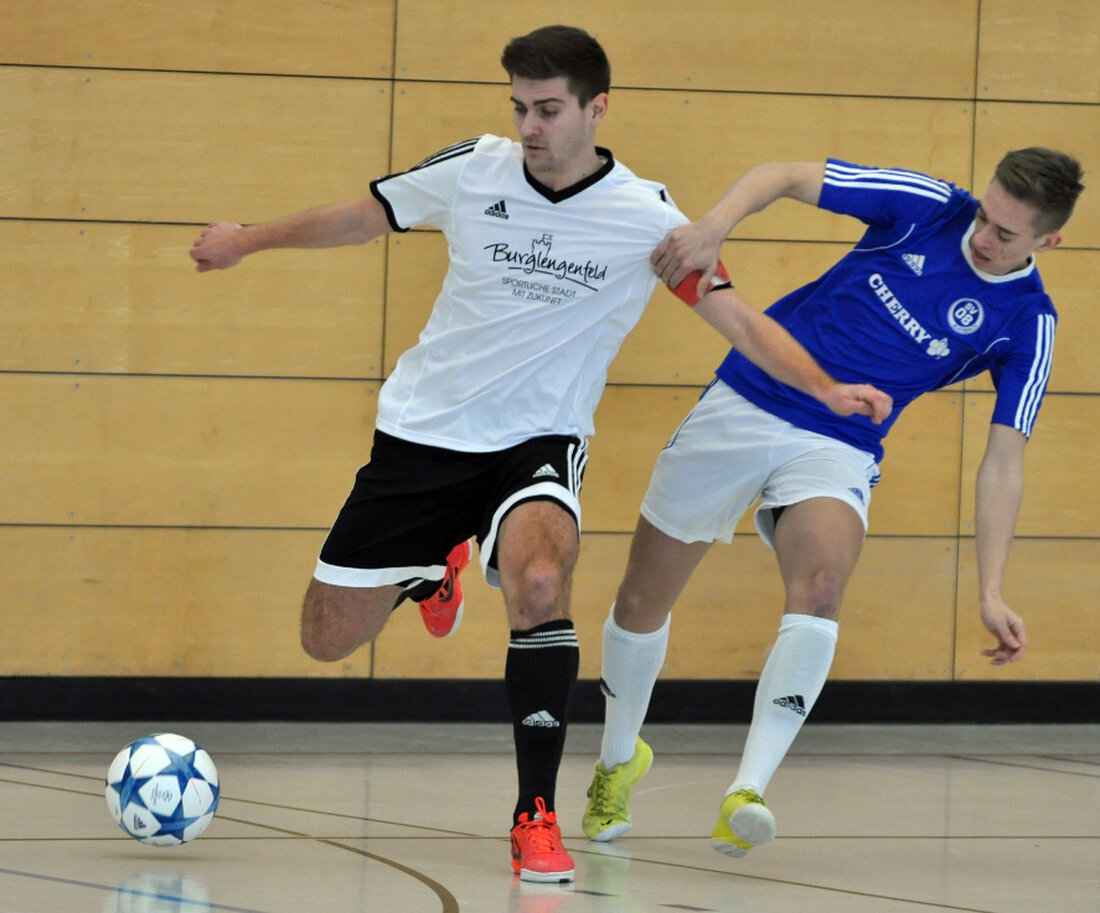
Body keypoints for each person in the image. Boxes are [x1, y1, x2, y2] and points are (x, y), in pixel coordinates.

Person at [189, 25, 890, 883]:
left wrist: (825, 389)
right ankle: (434, 568)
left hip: (537, 441)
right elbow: (362, 216)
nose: (529, 125)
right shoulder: (472, 169)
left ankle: (536, 813)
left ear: (597, 109)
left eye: (549, 109)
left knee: (541, 583)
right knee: (325, 637)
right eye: (520, 106)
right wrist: (248, 239)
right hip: (424, 434)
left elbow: (739, 320)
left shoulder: (648, 219)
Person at [582, 148, 1085, 858]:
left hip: (841, 440)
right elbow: (786, 174)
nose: (981, 236)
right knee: (641, 600)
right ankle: (616, 761)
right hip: (749, 396)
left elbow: (1004, 462)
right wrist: (714, 227)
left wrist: (992, 589)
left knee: (820, 586)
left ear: (1048, 241)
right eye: (984, 215)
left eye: (1005, 233)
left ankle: (747, 791)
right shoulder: (928, 207)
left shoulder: (1027, 321)